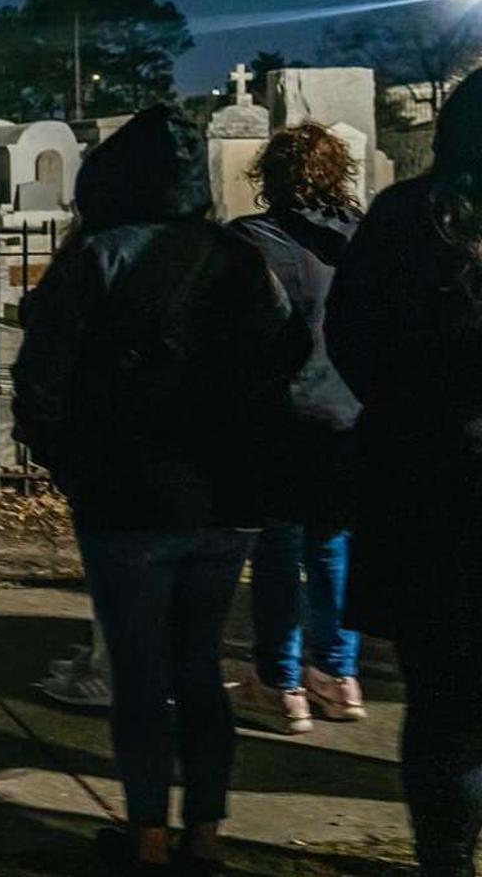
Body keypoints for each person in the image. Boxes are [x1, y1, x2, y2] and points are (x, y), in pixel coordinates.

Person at [12, 104, 299, 876]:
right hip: (223, 499)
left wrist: (73, 467)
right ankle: (204, 834)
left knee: (139, 673)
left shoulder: (96, 259)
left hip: (127, 500)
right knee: (200, 668)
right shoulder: (238, 259)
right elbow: (284, 359)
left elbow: (38, 386)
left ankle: (145, 835)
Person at [326, 73, 482, 877]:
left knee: (445, 705)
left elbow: (350, 334)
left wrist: (412, 408)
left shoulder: (404, 219)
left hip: (431, 490)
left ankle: (446, 859)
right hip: (438, 486)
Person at [224, 123, 366, 736]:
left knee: (278, 549)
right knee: (332, 545)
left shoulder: (249, 240)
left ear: (269, 177)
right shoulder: (359, 239)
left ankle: (280, 685)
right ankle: (338, 676)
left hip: (277, 415)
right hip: (345, 412)